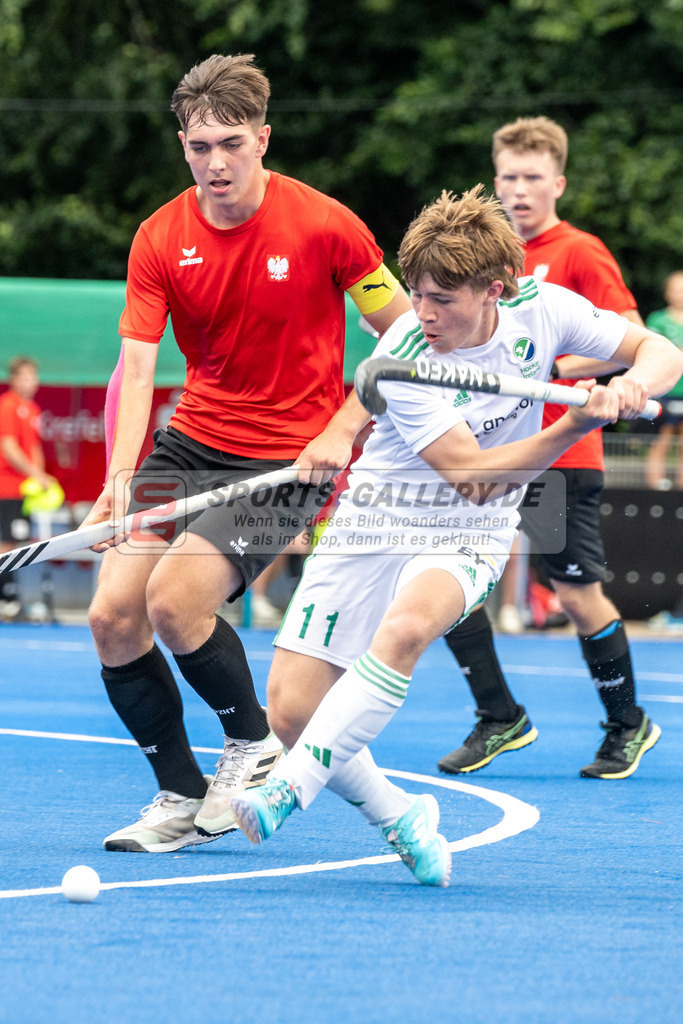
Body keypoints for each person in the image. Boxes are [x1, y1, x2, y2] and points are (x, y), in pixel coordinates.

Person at [223, 186, 682, 886]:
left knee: (407, 627)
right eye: (415, 293)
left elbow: (658, 350)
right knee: (290, 709)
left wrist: (629, 384)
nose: (422, 312)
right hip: (381, 511)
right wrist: (570, 427)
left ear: (492, 289)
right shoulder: (406, 352)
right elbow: (472, 472)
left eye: (441, 298)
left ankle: (293, 786)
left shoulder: (544, 311)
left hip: (469, 529)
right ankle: (399, 816)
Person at [83, 53, 411, 853]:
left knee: (175, 603)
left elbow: (402, 334)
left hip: (287, 460)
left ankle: (254, 745)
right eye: (199, 147)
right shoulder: (160, 236)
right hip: (192, 440)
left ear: (262, 139)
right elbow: (135, 369)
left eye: (231, 143)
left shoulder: (327, 225)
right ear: (184, 147)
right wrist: (120, 475)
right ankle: (179, 795)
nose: (215, 163)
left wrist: (342, 428)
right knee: (112, 617)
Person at [439, 115, 665, 781]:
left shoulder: (580, 252)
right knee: (446, 577)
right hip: (486, 452)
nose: (517, 190)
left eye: (531, 177)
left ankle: (628, 723)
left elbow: (624, 339)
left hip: (558, 456)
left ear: (557, 183)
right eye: (506, 176)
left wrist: (549, 368)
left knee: (572, 594)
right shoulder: (485, 259)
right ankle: (497, 715)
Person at [0, 356, 60, 620]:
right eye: (24, 376)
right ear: (13, 379)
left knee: (15, 543)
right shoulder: (7, 406)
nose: (30, 382)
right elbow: (8, 446)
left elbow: (33, 447)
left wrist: (40, 477)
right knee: (6, 544)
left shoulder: (32, 408)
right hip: (6, 488)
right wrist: (36, 473)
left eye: (33, 376)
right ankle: (6, 600)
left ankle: (10, 599)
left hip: (25, 491)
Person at [644, 271, 683, 490]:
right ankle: (655, 483)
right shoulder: (657, 319)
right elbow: (654, 351)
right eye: (677, 289)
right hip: (665, 389)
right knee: (662, 437)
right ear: (668, 293)